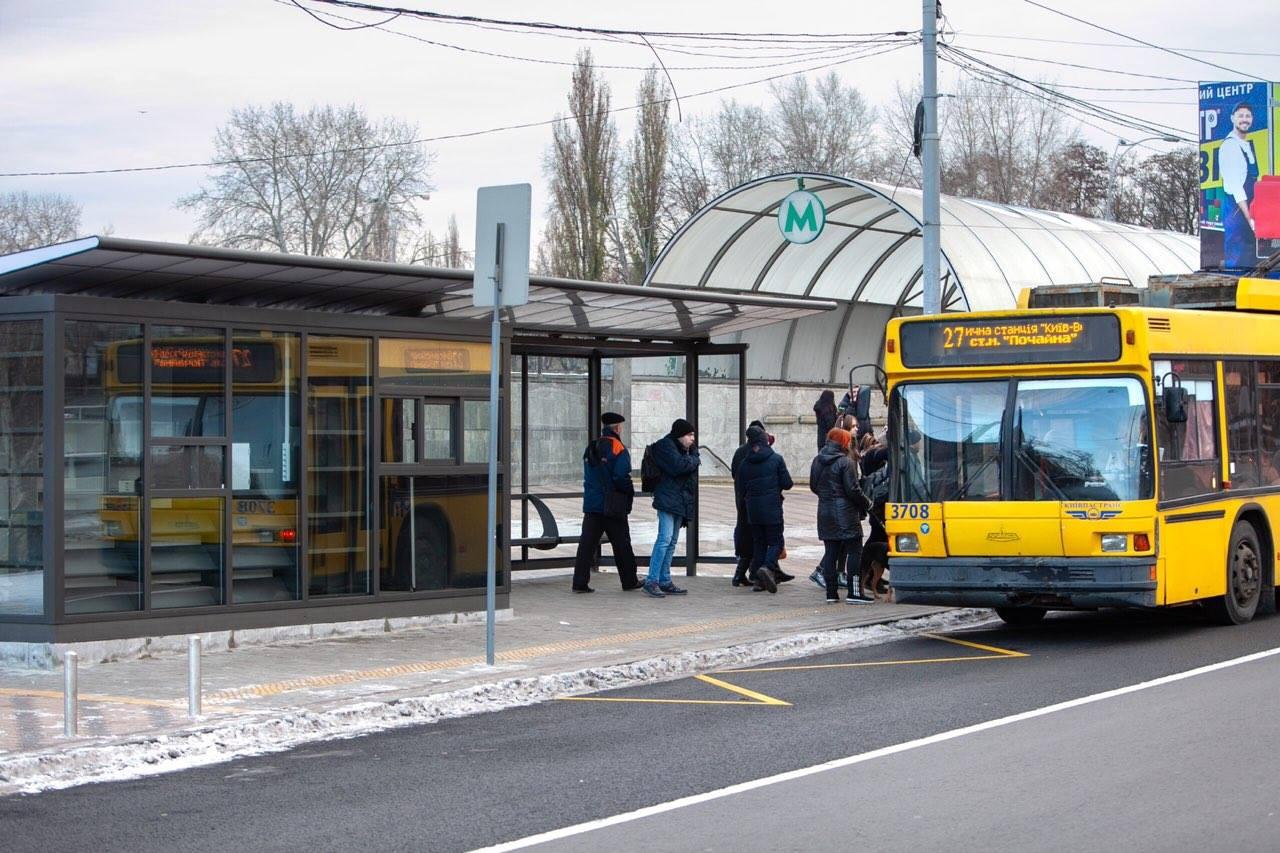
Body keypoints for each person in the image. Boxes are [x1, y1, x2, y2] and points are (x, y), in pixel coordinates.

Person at [572, 412, 642, 593]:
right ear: (617, 427)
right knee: (622, 544)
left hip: (592, 505)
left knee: (586, 545)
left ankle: (579, 582)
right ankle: (629, 581)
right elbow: (621, 476)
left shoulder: (591, 447)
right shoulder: (618, 447)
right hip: (612, 505)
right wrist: (629, 492)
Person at [810, 428, 873, 603]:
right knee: (854, 551)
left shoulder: (817, 460)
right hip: (845, 514)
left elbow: (814, 486)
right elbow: (853, 490)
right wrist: (867, 502)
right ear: (844, 442)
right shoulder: (845, 462)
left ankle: (831, 593)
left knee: (830, 552)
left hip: (824, 512)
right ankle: (854, 593)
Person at [643, 418, 700, 598]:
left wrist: (692, 458)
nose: (692, 439)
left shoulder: (685, 450)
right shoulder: (665, 446)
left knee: (672, 541)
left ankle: (664, 579)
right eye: (689, 435)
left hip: (678, 501)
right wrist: (694, 460)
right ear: (680, 435)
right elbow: (679, 467)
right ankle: (651, 580)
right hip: (667, 499)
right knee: (664, 539)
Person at [736, 424, 793, 593]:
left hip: (753, 509)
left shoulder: (745, 462)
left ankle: (758, 581)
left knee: (759, 543)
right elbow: (787, 483)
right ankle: (767, 568)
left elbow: (740, 487)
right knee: (776, 542)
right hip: (772, 508)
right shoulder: (776, 459)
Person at [1220, 102, 1260, 269]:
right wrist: (1250, 218)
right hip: (1237, 213)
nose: (1245, 119)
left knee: (1251, 260)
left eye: (1248, 116)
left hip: (1248, 212)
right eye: (1241, 116)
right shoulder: (1230, 146)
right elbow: (1236, 187)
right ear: (1232, 118)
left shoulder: (1246, 144)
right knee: (1238, 261)